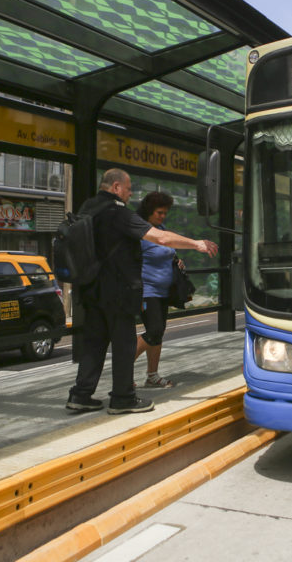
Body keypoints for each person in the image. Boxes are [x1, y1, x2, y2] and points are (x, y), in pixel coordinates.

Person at [66, 169, 217, 415]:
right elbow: (160, 238)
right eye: (128, 188)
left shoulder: (88, 208)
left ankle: (80, 395)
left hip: (90, 289)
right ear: (115, 187)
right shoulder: (117, 212)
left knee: (94, 344)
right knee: (124, 344)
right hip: (117, 291)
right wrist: (196, 244)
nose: (130, 193)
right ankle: (122, 398)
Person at [135, 191, 180, 388]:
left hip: (163, 292)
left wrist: (178, 261)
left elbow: (167, 251)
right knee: (153, 330)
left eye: (165, 213)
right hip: (147, 291)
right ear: (149, 211)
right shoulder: (142, 233)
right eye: (159, 213)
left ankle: (152, 376)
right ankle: (122, 371)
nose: (162, 217)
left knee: (158, 333)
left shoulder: (161, 229)